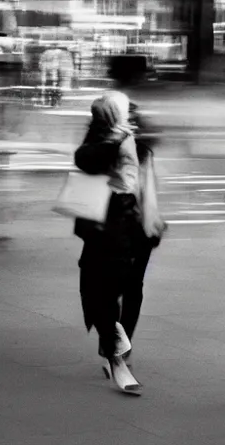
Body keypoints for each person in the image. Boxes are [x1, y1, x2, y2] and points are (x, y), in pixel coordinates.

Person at [71, 63, 164, 395]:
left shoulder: (139, 127)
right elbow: (85, 159)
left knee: (133, 287)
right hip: (107, 221)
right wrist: (114, 137)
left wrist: (153, 218)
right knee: (102, 289)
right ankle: (115, 352)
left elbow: (147, 175)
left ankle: (119, 350)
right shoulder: (106, 127)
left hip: (138, 219)